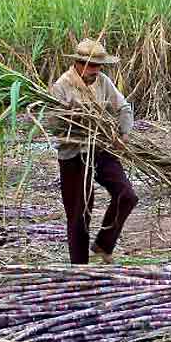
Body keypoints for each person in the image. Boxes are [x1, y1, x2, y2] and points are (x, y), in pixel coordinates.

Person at [47, 38, 138, 265]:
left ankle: (104, 244)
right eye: (92, 65)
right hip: (74, 155)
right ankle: (80, 270)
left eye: (99, 66)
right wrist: (73, 118)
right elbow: (53, 124)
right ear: (78, 63)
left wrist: (124, 133)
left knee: (127, 195)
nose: (96, 70)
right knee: (79, 215)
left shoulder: (103, 81)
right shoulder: (61, 87)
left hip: (101, 148)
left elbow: (123, 107)